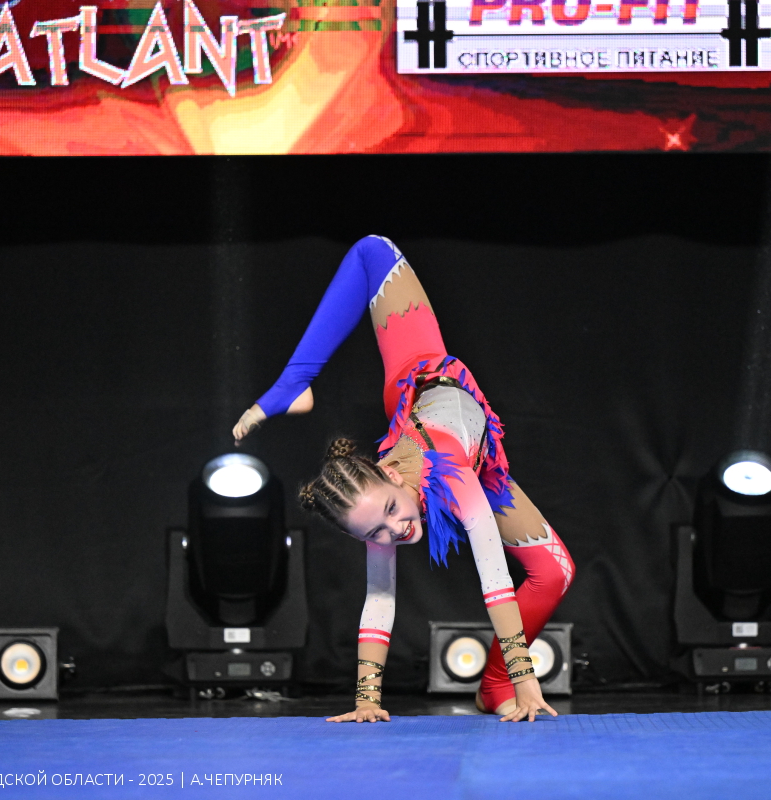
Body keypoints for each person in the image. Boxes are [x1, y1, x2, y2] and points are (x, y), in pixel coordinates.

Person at [232, 236, 574, 723]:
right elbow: (380, 597)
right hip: (456, 449)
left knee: (374, 250)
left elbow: (495, 581)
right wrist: (366, 701)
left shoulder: (450, 478)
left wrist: (526, 682)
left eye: (391, 513)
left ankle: (293, 383)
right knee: (552, 570)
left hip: (423, 378)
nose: (395, 531)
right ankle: (494, 687)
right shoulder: (375, 508)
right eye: (375, 533)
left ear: (391, 474)